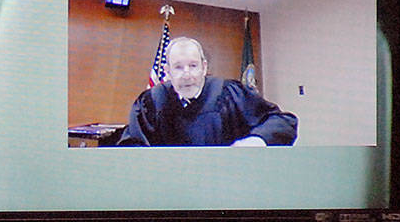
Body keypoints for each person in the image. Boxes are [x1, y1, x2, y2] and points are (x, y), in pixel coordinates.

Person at [117, 37, 297, 146]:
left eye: (193, 65)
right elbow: (132, 145)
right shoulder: (152, 102)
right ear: (167, 71)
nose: (186, 74)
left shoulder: (229, 94)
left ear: (204, 67)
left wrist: (256, 140)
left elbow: (282, 121)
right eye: (178, 67)